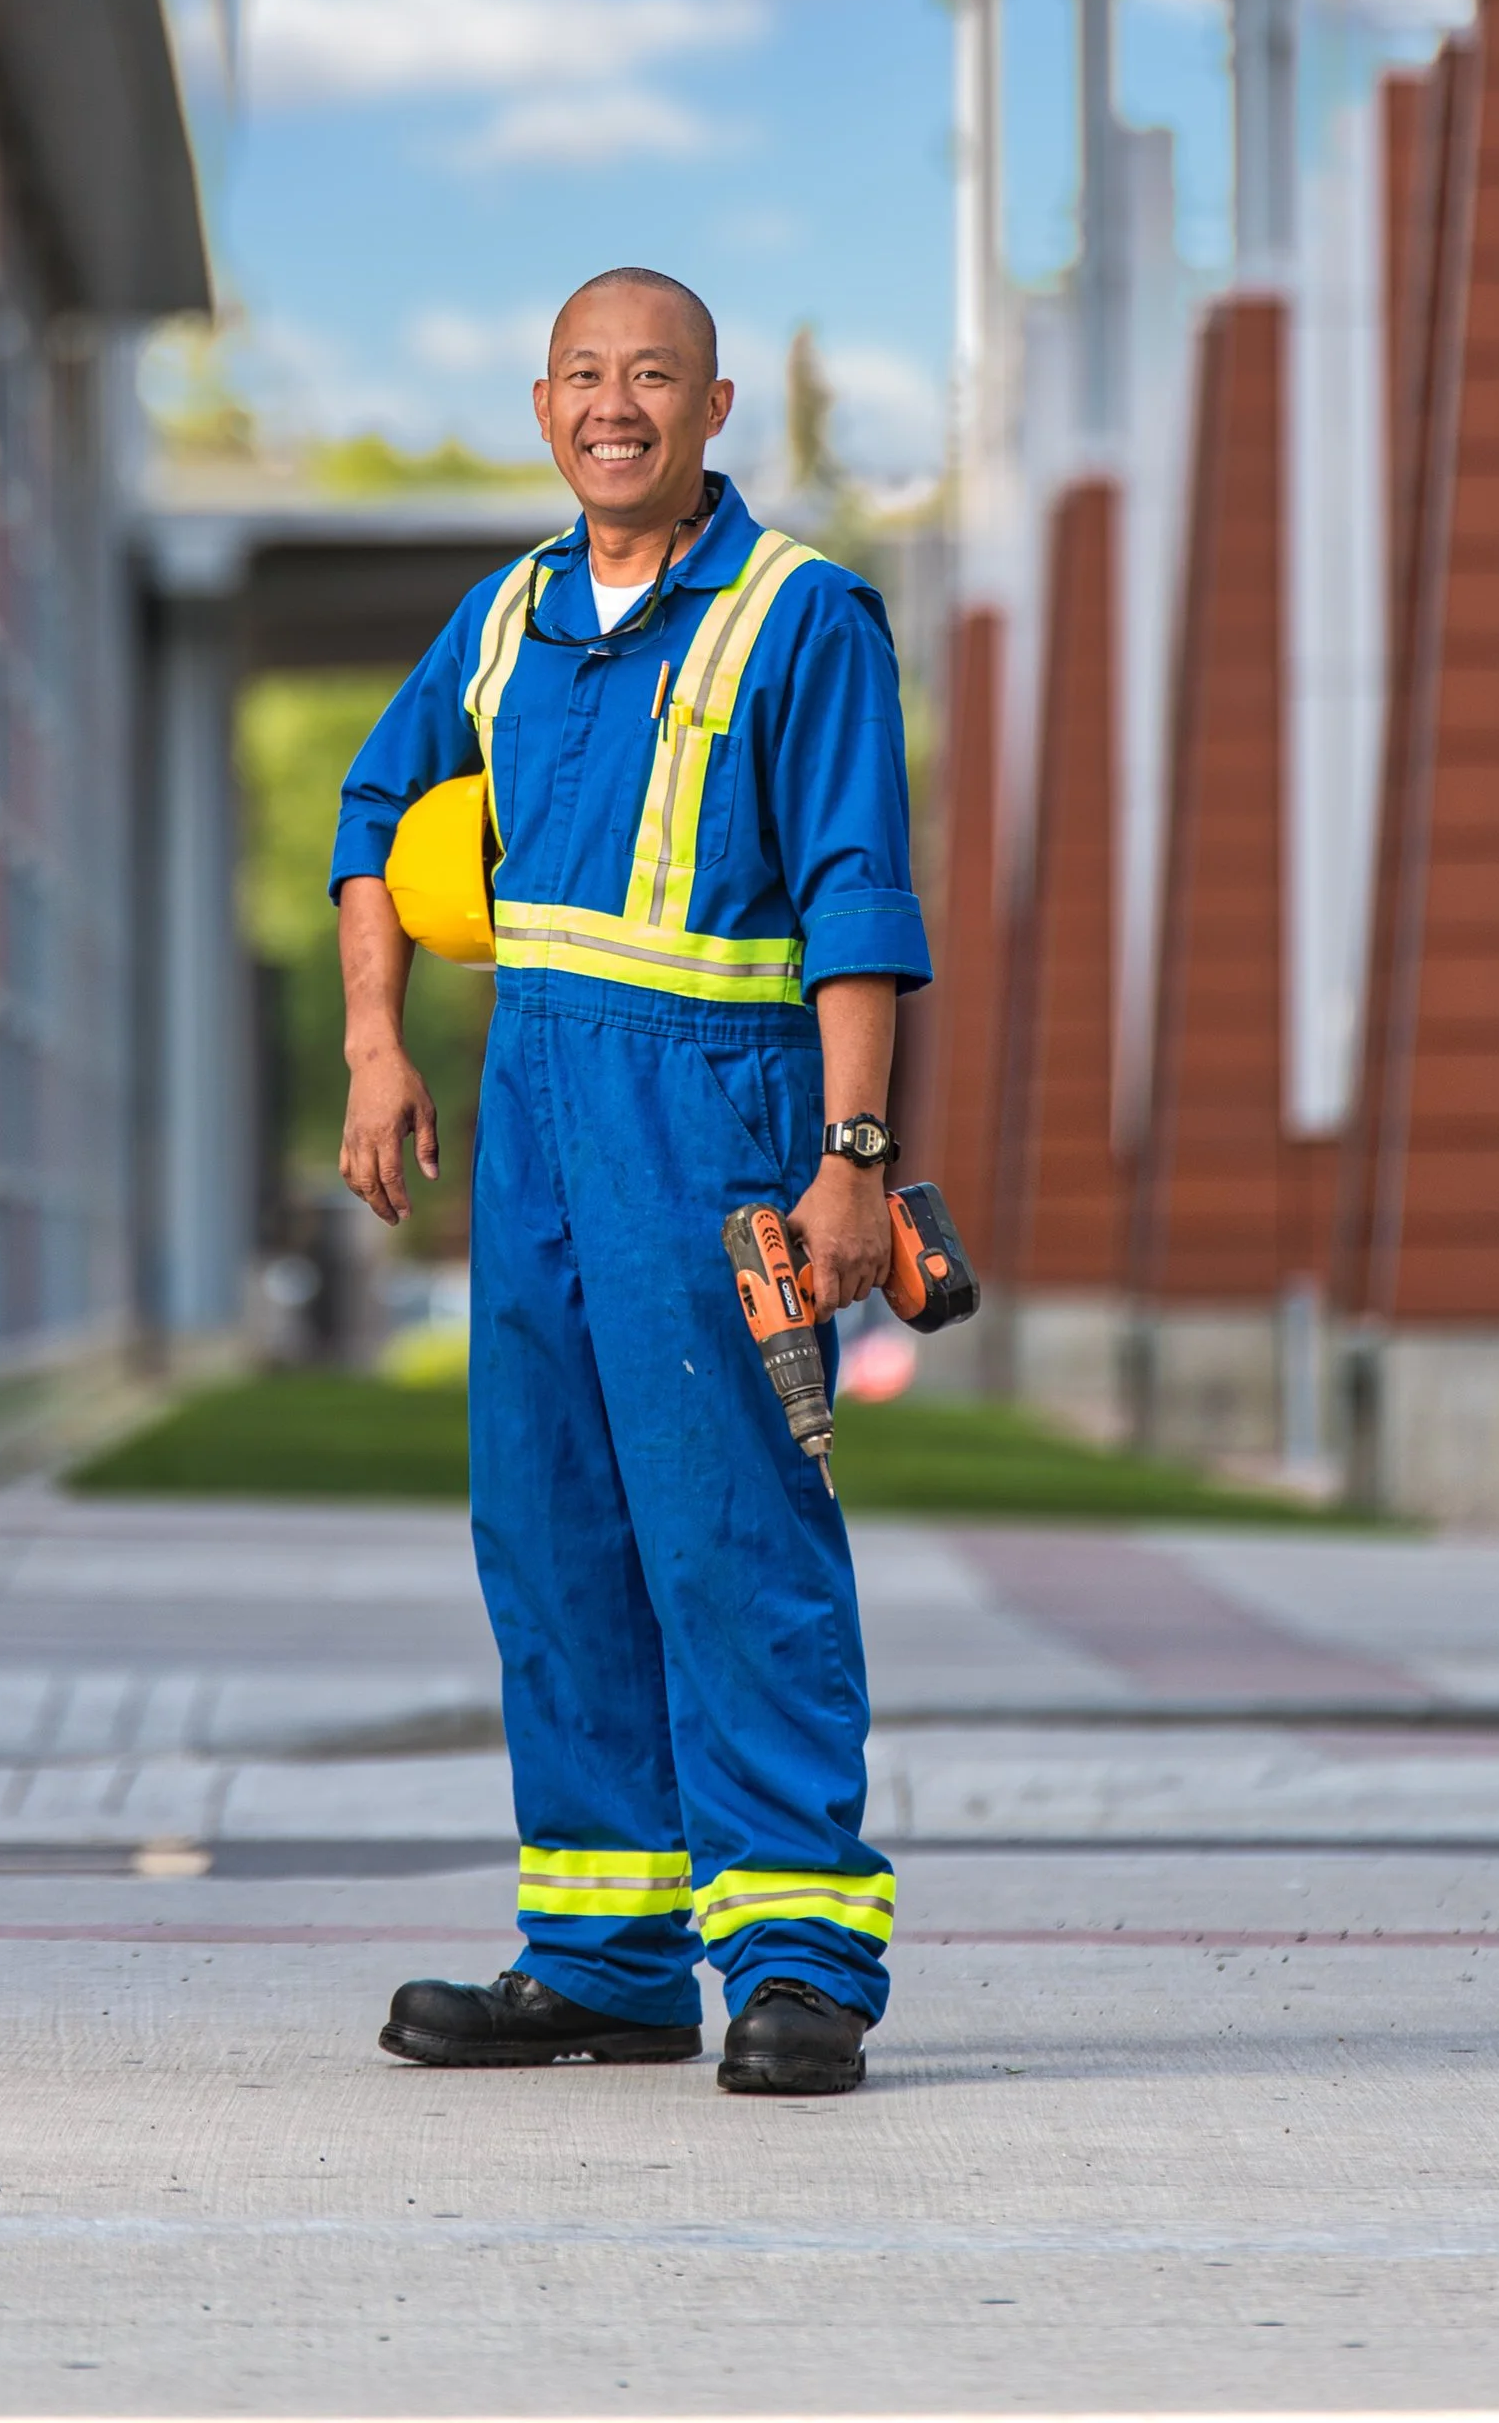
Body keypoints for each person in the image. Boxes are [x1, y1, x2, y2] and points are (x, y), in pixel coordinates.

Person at [330, 267, 930, 2098]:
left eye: (653, 376)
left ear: (713, 410)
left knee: (733, 1541)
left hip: (726, 1147)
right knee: (556, 1534)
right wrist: (374, 1042)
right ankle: (600, 1954)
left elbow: (859, 903)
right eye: (586, 376)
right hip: (537, 1144)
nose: (618, 405)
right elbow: (374, 818)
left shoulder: (800, 618)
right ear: (540, 409)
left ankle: (802, 1959)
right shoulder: (504, 619)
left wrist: (853, 1162)